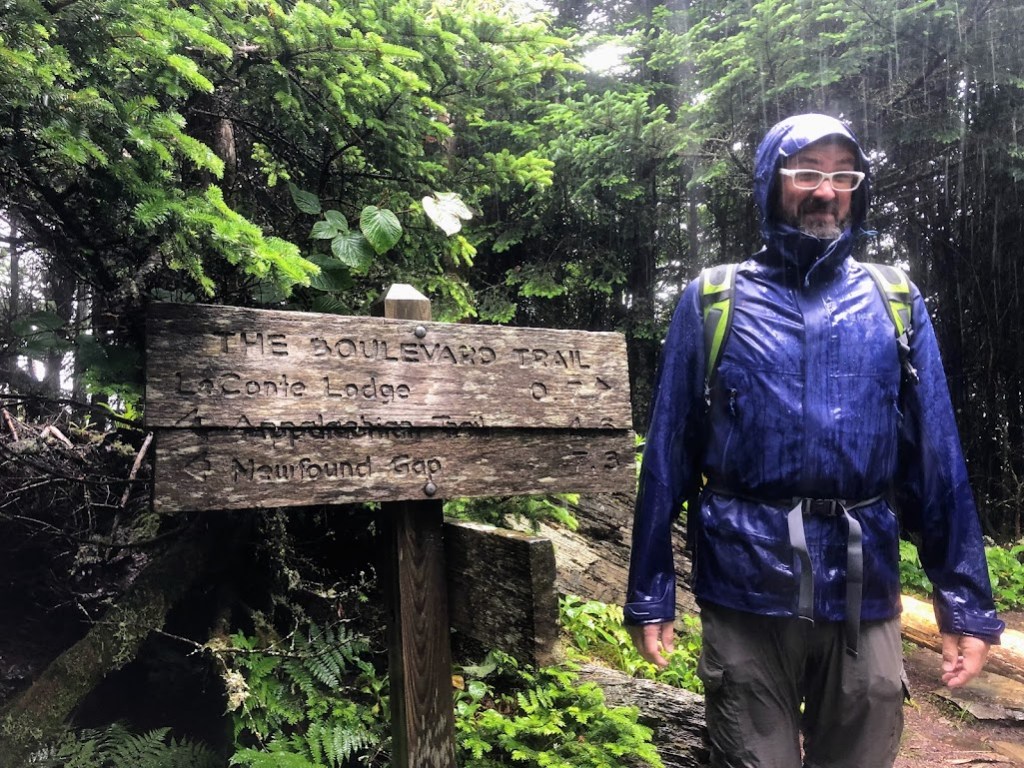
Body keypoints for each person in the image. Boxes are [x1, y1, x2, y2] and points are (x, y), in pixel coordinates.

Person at [624, 113, 1004, 768]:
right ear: (771, 183)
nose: (825, 191)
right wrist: (650, 592)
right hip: (744, 581)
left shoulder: (894, 300)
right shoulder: (715, 299)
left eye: (841, 175)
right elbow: (668, 457)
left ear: (856, 188)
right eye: (805, 173)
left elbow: (936, 459)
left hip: (865, 582)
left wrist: (965, 603)